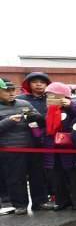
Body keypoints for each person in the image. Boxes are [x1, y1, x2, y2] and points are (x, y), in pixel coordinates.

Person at [0, 77, 44, 215]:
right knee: (16, 179)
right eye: (7, 91)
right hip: (10, 149)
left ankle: (40, 202)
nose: (11, 93)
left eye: (13, 90)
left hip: (31, 146)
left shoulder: (24, 103)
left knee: (37, 176)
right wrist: (8, 121)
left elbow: (41, 121)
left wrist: (34, 117)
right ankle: (20, 205)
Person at [42, 82, 76, 210]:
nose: (50, 98)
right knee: (57, 176)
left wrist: (70, 106)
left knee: (74, 175)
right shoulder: (49, 110)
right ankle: (62, 201)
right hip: (52, 148)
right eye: (48, 95)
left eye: (53, 95)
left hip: (70, 148)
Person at [16, 71, 52, 210]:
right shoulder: (21, 99)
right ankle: (20, 205)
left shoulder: (51, 98)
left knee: (39, 173)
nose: (38, 84)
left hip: (45, 139)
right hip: (24, 140)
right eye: (35, 82)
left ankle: (40, 201)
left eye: (42, 82)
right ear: (28, 84)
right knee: (19, 175)